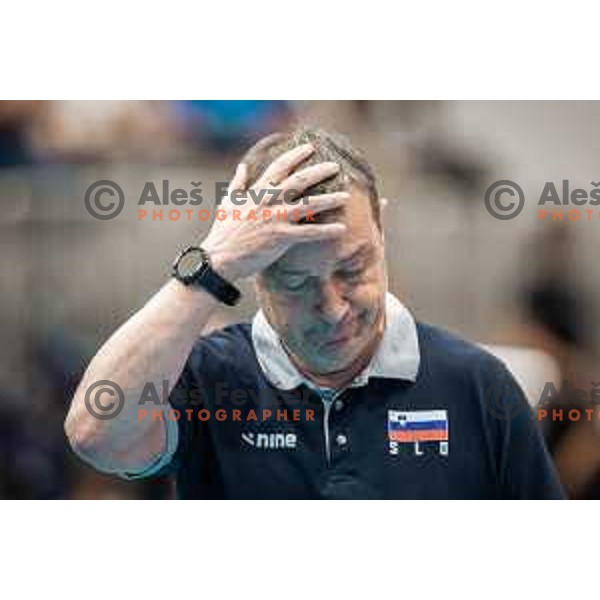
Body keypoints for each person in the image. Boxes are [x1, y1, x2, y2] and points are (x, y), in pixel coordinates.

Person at [64, 127, 565, 499]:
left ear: (382, 231)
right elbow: (96, 435)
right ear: (254, 273)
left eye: (353, 268)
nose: (333, 308)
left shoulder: (477, 386)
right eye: (297, 283)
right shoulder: (209, 379)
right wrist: (209, 267)